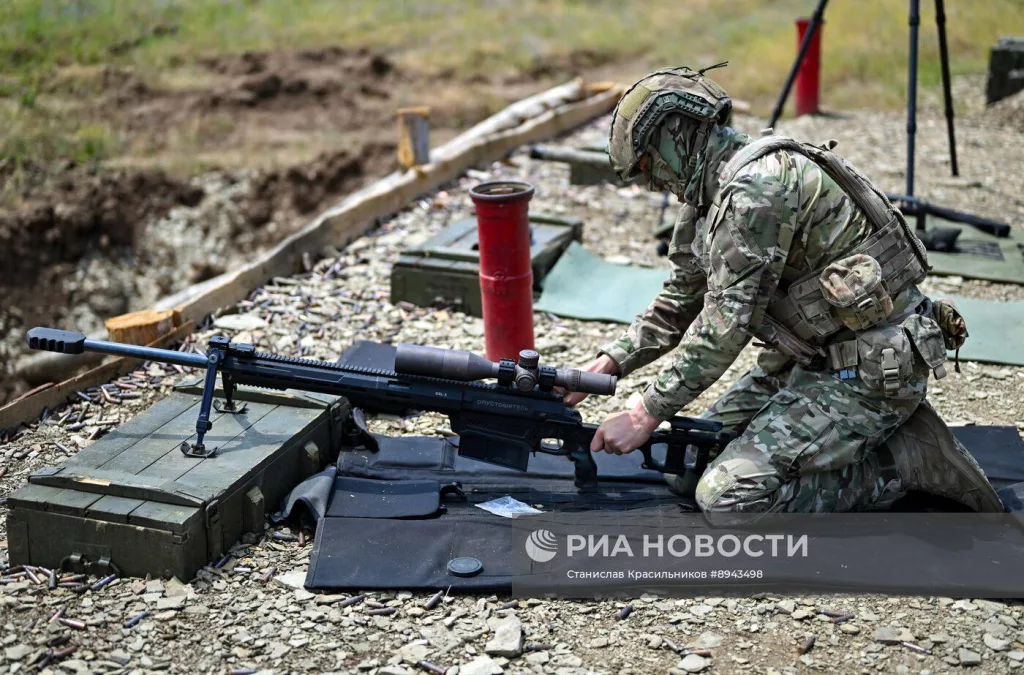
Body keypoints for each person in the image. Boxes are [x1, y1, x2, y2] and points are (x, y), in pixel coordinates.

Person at [566, 65, 1003, 521]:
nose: (652, 183)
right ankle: (860, 444)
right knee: (687, 464)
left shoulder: (757, 190)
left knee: (728, 500)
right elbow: (679, 302)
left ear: (675, 135)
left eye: (647, 165)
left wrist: (646, 412)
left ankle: (901, 463)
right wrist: (602, 367)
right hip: (808, 361)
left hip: (869, 374)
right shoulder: (708, 199)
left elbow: (725, 328)